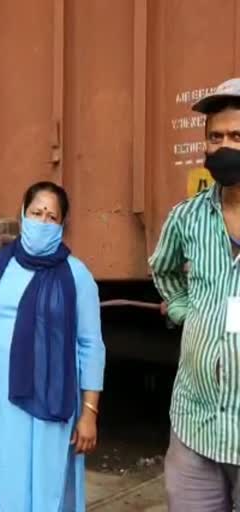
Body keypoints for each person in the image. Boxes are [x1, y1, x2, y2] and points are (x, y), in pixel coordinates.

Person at [0, 181, 105, 512]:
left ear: (62, 225)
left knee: (45, 483)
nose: (42, 221)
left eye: (51, 217)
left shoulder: (76, 276)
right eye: (36, 213)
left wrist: (89, 413)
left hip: (50, 404)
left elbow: (91, 346)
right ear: (22, 215)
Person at [149, 78, 240, 511]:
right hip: (195, 423)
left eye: (237, 136)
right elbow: (163, 269)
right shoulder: (187, 217)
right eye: (216, 137)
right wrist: (187, 310)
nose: (225, 147)